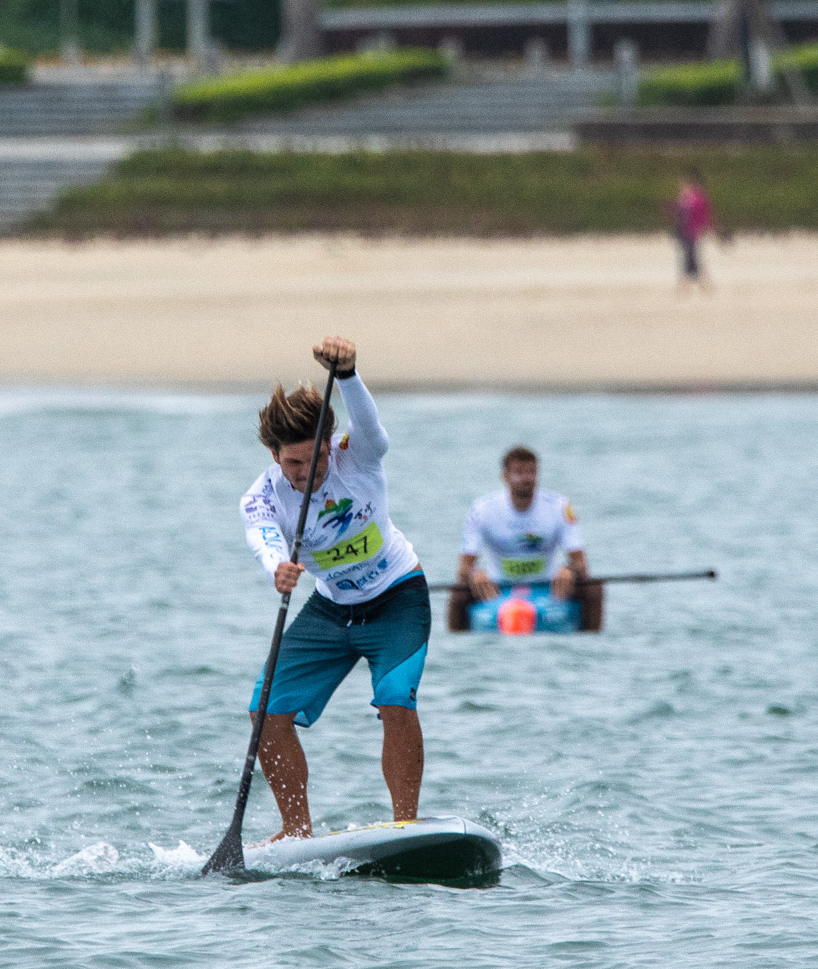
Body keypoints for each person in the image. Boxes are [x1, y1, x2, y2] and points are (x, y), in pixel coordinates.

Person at [240, 336, 430, 840]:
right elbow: (262, 537)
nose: (306, 473)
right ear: (273, 454)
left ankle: (405, 824)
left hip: (397, 597)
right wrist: (277, 565)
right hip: (332, 610)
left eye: (315, 460)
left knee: (395, 700)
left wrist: (347, 375)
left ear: (330, 443)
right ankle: (296, 828)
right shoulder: (263, 496)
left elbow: (370, 427)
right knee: (264, 712)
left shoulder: (358, 456)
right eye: (293, 464)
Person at [451, 446, 596, 634]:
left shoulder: (559, 507)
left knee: (594, 588)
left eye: (531, 472)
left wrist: (569, 569)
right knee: (457, 594)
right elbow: (463, 569)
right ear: (504, 476)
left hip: (549, 587)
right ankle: (457, 646)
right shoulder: (482, 510)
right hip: (497, 588)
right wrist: (474, 573)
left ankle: (593, 643)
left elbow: (581, 564)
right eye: (519, 473)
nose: (527, 479)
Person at [672, 169, 714, 292]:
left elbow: (703, 215)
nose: (681, 187)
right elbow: (679, 214)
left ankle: (690, 284)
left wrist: (704, 228)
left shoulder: (696, 199)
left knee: (690, 257)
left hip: (691, 231)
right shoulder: (685, 199)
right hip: (683, 231)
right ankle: (700, 284)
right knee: (690, 257)